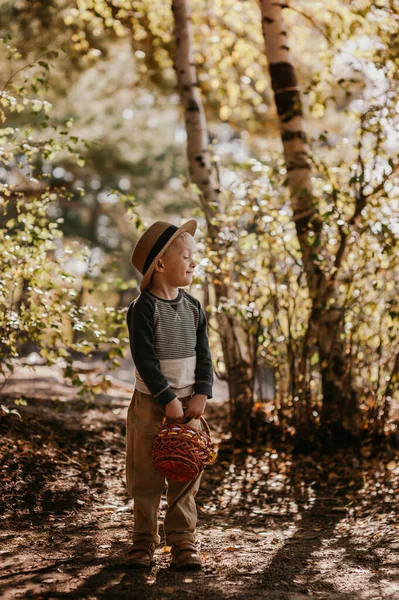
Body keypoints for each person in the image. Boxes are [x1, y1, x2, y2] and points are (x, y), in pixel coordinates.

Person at [125, 219, 213, 570]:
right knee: (145, 475)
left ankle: (182, 541)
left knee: (185, 470)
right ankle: (144, 541)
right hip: (151, 404)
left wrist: (202, 394)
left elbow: (204, 354)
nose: (194, 263)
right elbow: (145, 359)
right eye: (187, 256)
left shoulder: (193, 308)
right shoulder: (143, 309)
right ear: (160, 264)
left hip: (189, 406)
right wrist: (166, 399)